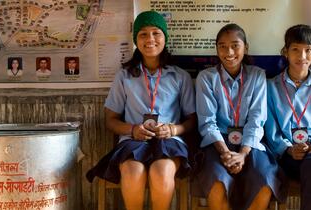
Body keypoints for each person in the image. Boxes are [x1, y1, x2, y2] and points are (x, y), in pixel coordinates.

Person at [86, 11, 196, 210]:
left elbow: (192, 120)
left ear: (165, 37)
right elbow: (110, 120)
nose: (150, 39)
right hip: (133, 141)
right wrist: (132, 129)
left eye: (156, 33)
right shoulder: (124, 76)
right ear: (136, 39)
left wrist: (173, 130)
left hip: (169, 142)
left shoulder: (180, 77)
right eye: (143, 34)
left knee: (161, 172)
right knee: (132, 172)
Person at [193, 23, 286, 210]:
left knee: (264, 180)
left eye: (235, 45)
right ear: (216, 49)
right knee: (217, 182)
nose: (229, 51)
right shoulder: (206, 77)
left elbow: (257, 118)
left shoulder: (257, 76)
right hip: (217, 143)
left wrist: (242, 154)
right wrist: (225, 153)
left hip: (250, 144)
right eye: (222, 46)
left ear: (246, 47)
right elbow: (207, 122)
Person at [265, 24, 311, 210]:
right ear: (285, 52)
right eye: (295, 50)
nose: (302, 57)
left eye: (308, 50)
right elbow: (270, 128)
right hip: (285, 154)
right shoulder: (271, 87)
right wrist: (289, 149)